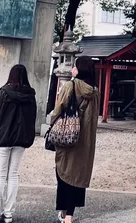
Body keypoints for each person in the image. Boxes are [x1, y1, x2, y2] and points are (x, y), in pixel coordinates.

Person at [50, 56, 99, 223]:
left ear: (80, 69)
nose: (73, 69)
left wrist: (52, 123)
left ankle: (64, 212)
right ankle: (69, 215)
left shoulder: (70, 86)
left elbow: (58, 108)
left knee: (63, 172)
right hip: (85, 141)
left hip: (67, 136)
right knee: (77, 174)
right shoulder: (94, 91)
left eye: (75, 66)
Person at [0, 64, 37, 223]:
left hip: (3, 136)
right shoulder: (31, 95)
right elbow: (33, 117)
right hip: (21, 138)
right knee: (13, 174)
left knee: (0, 175)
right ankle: (8, 213)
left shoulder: (4, 92)